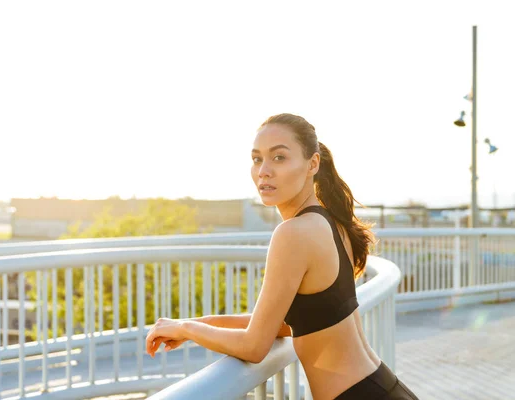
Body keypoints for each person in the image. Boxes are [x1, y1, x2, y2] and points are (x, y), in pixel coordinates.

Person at [146, 113, 419, 399]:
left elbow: (254, 345)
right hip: (382, 385)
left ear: (312, 164)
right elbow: (289, 324)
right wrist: (201, 322)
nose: (264, 170)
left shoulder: (293, 233)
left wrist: (187, 328)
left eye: (279, 158)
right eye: (256, 159)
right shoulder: (330, 222)